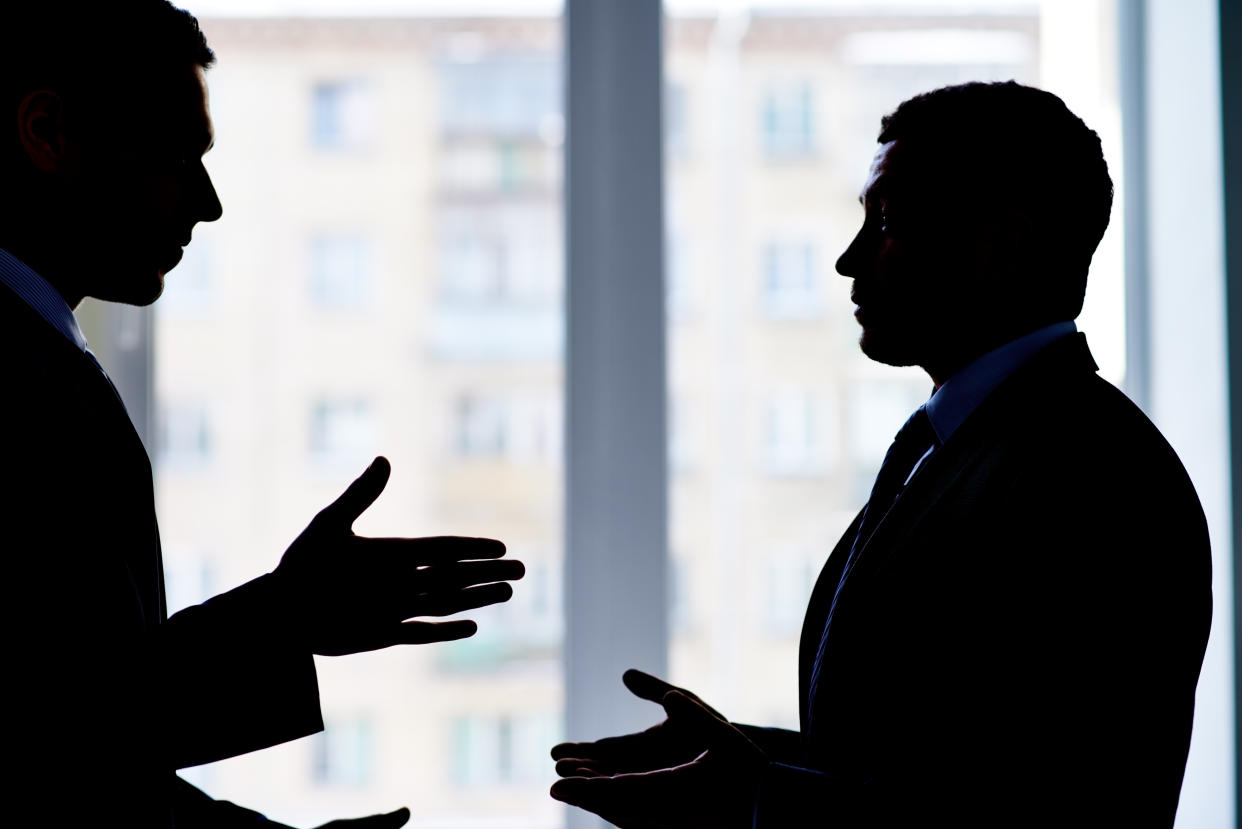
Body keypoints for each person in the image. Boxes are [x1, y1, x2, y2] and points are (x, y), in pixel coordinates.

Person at [550, 81, 1213, 827]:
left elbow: (1049, 801)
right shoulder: (972, 441)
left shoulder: (1097, 475)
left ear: (1006, 246)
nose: (848, 259)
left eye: (889, 221)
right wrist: (744, 758)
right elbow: (927, 757)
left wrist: (757, 801)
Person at [0, 3, 523, 827]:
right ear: (46, 130)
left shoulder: (37, 360)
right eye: (178, 154)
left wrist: (288, 614)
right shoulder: (8, 388)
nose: (206, 203)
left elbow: (80, 714)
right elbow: (43, 767)